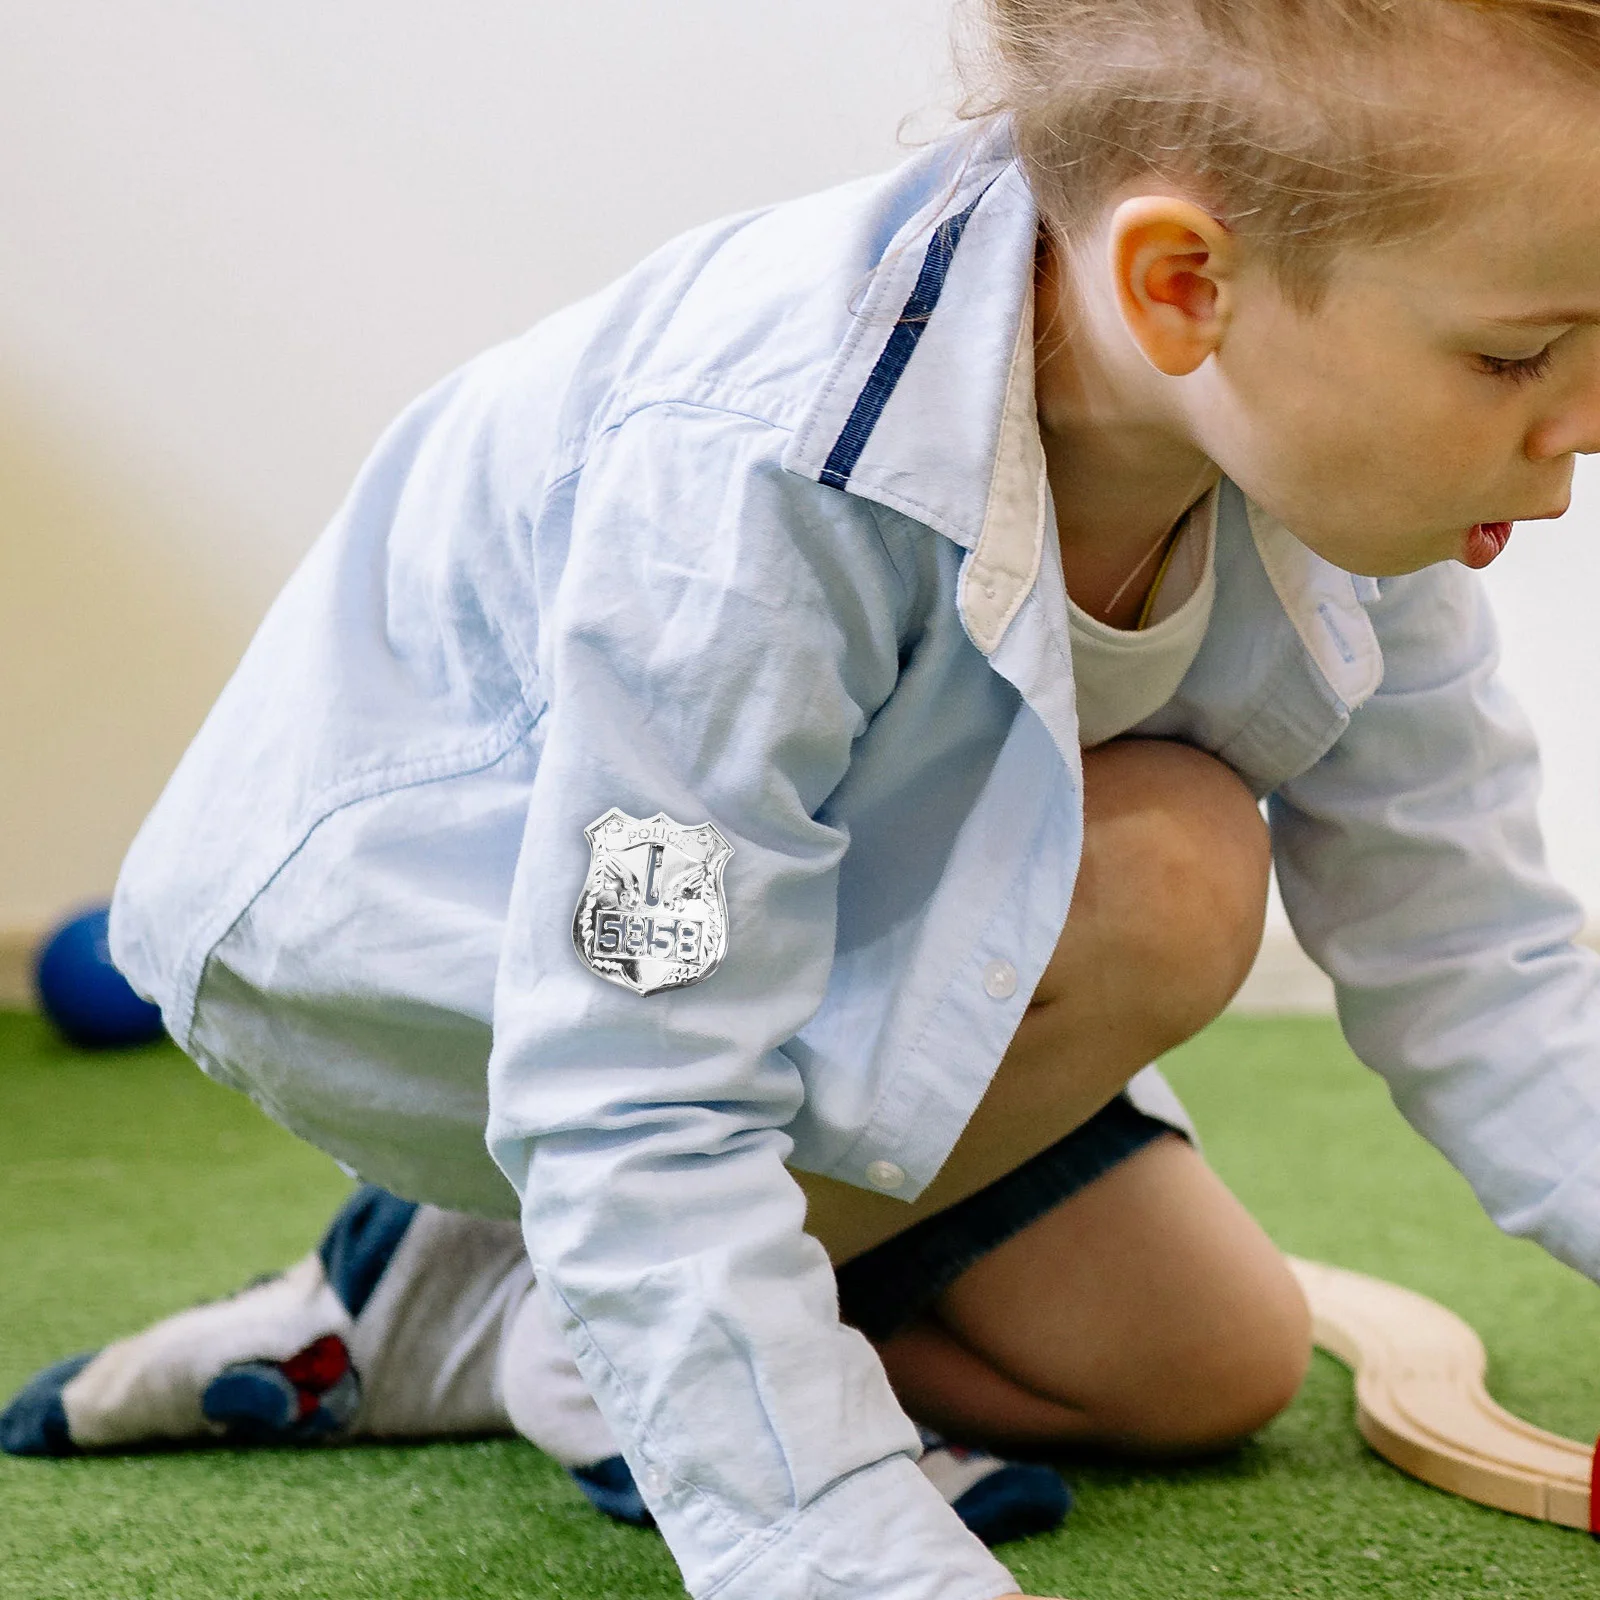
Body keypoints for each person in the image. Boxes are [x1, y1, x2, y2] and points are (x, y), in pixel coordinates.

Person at [10, 1, 1600, 1595]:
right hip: (451, 953)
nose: (1585, 420)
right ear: (1180, 286)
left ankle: (543, 1327)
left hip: (795, 923)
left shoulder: (1350, 471)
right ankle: (516, 1273)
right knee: (1180, 869)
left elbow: (1483, 960)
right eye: (1521, 353)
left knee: (1210, 1368)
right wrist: (832, 1537)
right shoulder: (759, 488)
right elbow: (633, 1051)